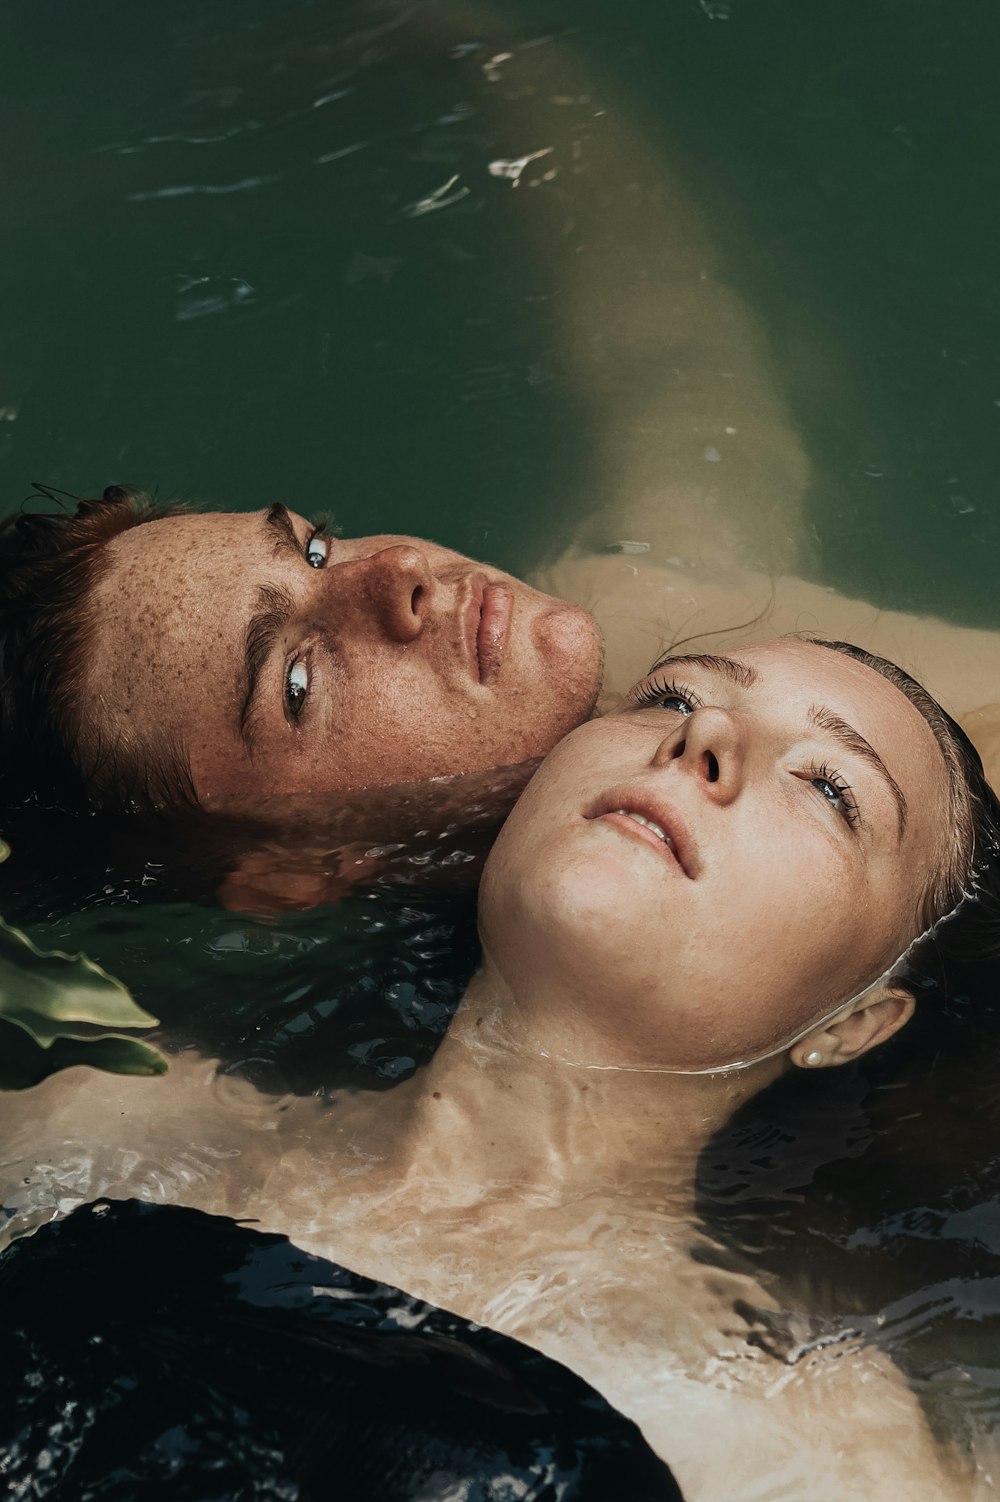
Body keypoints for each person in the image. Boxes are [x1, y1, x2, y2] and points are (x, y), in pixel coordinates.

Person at [3, 635, 997, 1498]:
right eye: (671, 694)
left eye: (830, 786)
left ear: (856, 1021)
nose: (706, 738)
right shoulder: (107, 1112)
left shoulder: (800, 1422)